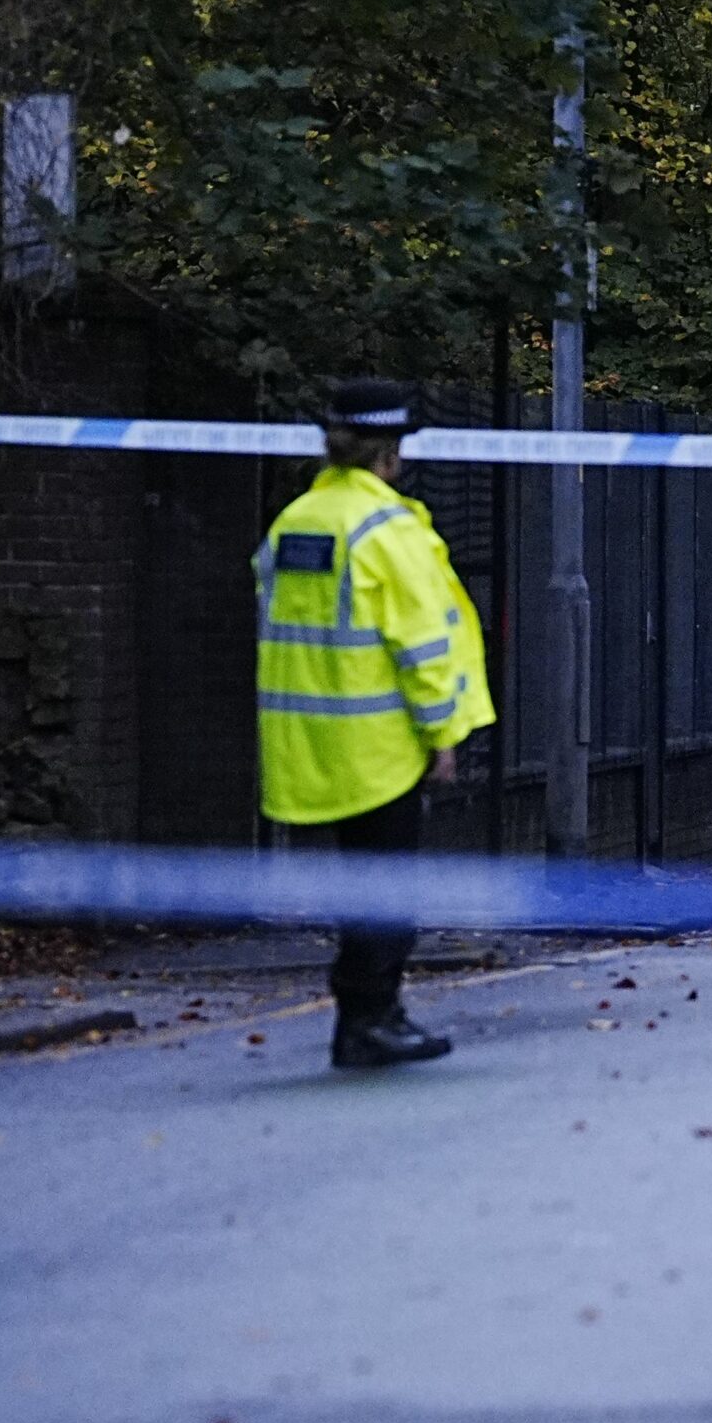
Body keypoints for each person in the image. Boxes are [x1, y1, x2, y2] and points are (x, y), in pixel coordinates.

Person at [255, 381, 495, 1068]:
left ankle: (358, 1019)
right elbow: (419, 642)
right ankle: (372, 1017)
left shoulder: (296, 521)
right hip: (381, 741)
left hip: (306, 738)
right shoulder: (386, 530)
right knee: (389, 887)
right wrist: (443, 729)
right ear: (389, 453)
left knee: (360, 883)